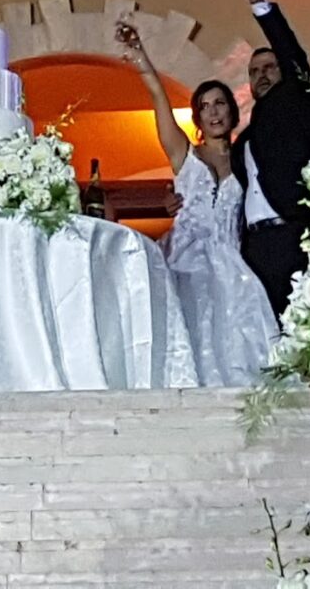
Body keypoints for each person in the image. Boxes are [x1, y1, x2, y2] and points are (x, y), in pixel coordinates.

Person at [116, 20, 279, 387]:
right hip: (184, 260)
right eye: (205, 106)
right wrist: (141, 56)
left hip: (233, 261)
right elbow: (158, 97)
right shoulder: (184, 156)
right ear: (198, 117)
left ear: (232, 111)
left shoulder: (248, 156)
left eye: (220, 103)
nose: (214, 111)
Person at [226, 0, 310, 318]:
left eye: (270, 67)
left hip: (295, 237)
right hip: (255, 248)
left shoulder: (300, 101)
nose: (261, 75)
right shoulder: (244, 141)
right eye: (254, 72)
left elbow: (291, 53)